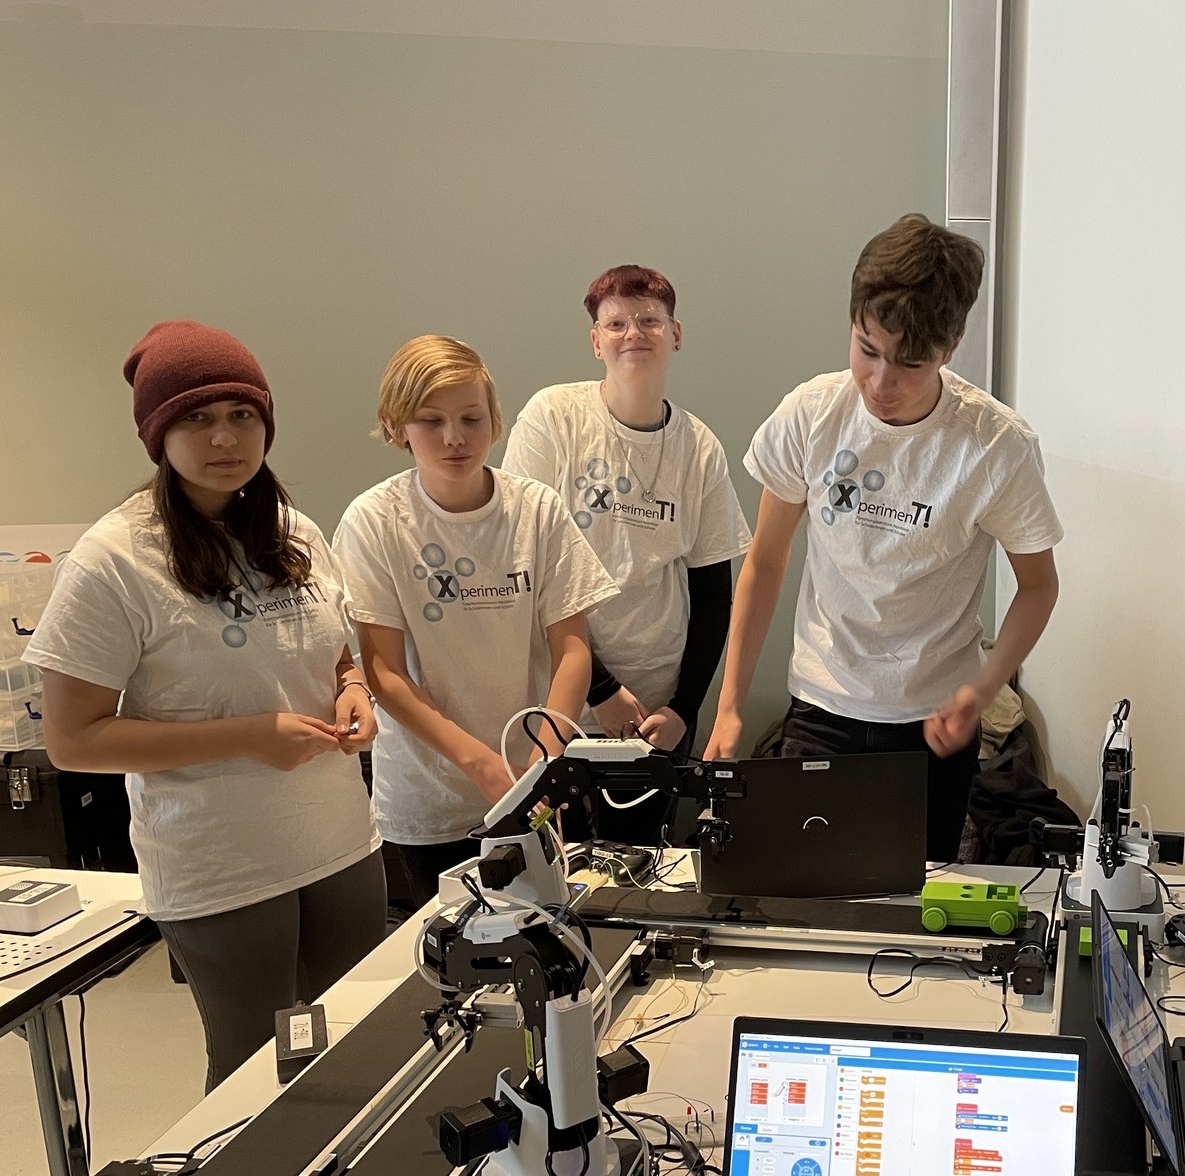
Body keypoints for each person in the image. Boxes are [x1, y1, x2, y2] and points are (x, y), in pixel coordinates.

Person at [25, 321, 386, 1090]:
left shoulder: (292, 530)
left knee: (357, 1044)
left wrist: (353, 689)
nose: (225, 436)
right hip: (221, 865)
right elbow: (73, 740)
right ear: (158, 433)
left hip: (338, 840)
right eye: (197, 417)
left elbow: (334, 650)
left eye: (242, 414)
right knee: (255, 1069)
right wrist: (247, 736)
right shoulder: (114, 560)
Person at [704, 214, 1062, 861]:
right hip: (821, 705)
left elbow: (1038, 587)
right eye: (866, 349)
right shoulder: (812, 414)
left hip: (932, 725)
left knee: (916, 903)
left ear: (951, 346)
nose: (879, 381)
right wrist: (730, 705)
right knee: (805, 889)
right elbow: (765, 561)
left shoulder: (996, 446)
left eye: (909, 363)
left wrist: (982, 689)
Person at [333, 335, 614, 908]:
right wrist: (483, 764)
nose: (455, 437)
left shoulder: (536, 509)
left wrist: (544, 758)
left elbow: (572, 650)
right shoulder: (375, 521)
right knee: (451, 951)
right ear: (394, 427)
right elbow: (385, 674)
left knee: (554, 931)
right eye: (431, 421)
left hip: (536, 783)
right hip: (429, 803)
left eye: (470, 418)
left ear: (495, 419)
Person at [502, 265, 752, 757]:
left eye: (649, 320)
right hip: (562, 702)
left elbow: (712, 595)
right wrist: (599, 690)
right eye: (616, 324)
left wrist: (684, 709)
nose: (633, 333)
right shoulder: (552, 418)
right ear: (596, 342)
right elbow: (526, 568)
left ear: (675, 334)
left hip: (659, 711)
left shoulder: (699, 447)